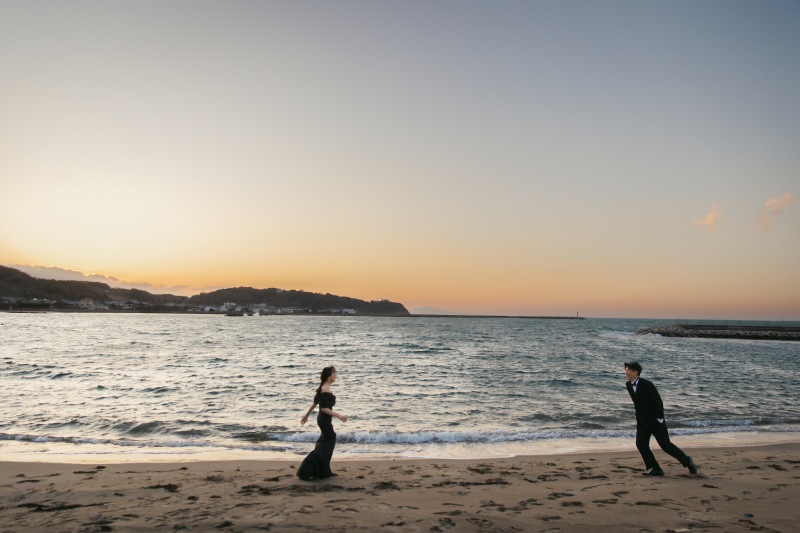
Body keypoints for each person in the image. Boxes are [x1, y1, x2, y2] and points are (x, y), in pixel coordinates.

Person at [624, 361, 698, 477]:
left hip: (655, 421)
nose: (626, 372)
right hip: (642, 421)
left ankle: (688, 461)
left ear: (636, 372)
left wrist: (659, 419)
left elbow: (658, 402)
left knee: (666, 446)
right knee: (641, 445)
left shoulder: (648, 385)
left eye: (628, 370)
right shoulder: (628, 385)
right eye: (626, 370)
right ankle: (655, 468)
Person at [297, 366, 348, 480]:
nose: (336, 375)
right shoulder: (325, 388)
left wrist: (307, 415)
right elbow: (324, 408)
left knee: (326, 441)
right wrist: (339, 415)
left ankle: (324, 470)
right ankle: (316, 468)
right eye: (334, 373)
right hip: (324, 419)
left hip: (323, 419)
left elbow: (315, 403)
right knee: (329, 440)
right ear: (329, 375)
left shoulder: (324, 387)